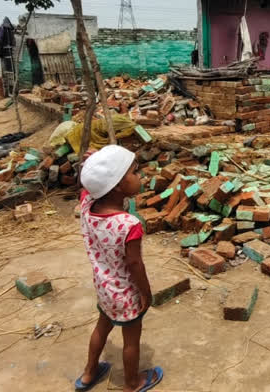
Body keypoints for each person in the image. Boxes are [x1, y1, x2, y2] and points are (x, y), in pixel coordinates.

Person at [75, 145, 163, 392]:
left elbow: (87, 189)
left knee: (101, 329)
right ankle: (132, 383)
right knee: (131, 341)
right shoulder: (128, 224)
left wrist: (95, 165)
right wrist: (145, 292)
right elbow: (135, 264)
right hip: (126, 295)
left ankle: (88, 374)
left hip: (104, 290)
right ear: (117, 186)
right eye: (134, 173)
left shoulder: (87, 208)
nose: (140, 177)